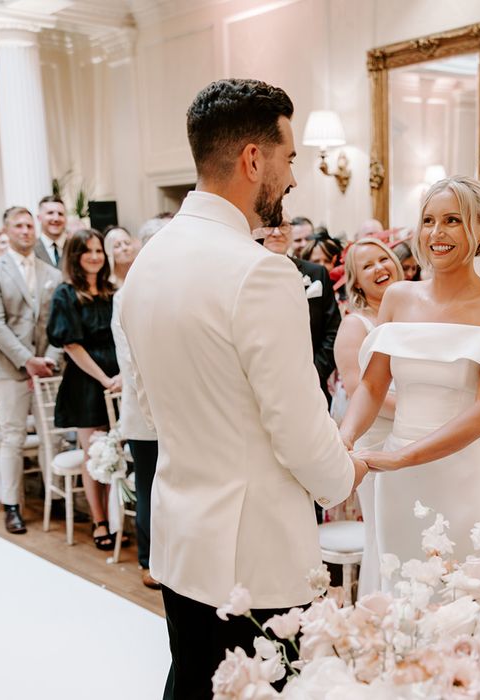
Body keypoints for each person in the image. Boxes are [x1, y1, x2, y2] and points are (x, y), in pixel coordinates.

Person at [120, 78, 365, 699]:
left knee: (193, 684)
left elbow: (145, 414)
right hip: (256, 558)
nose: (292, 178)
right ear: (253, 158)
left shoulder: (147, 264)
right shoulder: (259, 272)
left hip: (182, 541)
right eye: (287, 158)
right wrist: (345, 474)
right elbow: (299, 428)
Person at [340, 175, 480, 566]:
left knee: (469, 595)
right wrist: (345, 439)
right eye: (428, 221)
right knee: (402, 595)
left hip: (464, 477)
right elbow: (373, 387)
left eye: (453, 220)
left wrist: (404, 457)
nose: (437, 233)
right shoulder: (398, 297)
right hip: (396, 480)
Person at [0, 207, 63, 534]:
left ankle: (55, 497)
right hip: (10, 369)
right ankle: (12, 504)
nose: (26, 230)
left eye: (29, 225)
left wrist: (49, 359)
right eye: (19, 225)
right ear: (7, 230)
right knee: (12, 437)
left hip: (47, 369)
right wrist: (28, 360)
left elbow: (57, 323)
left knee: (50, 436)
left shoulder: (51, 274)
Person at [333, 238, 402, 595]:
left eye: (383, 259)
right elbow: (358, 385)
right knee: (386, 532)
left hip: (417, 435)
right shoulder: (355, 325)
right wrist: (411, 407)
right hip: (378, 436)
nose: (380, 268)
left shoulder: (415, 313)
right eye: (368, 266)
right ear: (356, 281)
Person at [47, 229, 122, 550]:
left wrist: (122, 376)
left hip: (119, 381)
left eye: (99, 251)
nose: (94, 256)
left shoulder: (111, 290)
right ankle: (99, 520)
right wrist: (104, 379)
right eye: (87, 251)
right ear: (75, 257)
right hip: (86, 383)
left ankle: (118, 516)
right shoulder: (66, 293)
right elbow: (71, 345)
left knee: (116, 450)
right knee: (95, 455)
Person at [111, 223, 163, 589]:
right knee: (148, 487)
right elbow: (129, 362)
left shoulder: (176, 288)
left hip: (182, 412)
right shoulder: (126, 294)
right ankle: (148, 560)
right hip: (146, 413)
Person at [261, 215, 341, 406]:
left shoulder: (315, 273)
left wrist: (312, 373)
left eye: (283, 225)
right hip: (265, 385)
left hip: (313, 384)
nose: (277, 232)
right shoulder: (244, 273)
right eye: (269, 226)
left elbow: (333, 331)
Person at [34, 195, 68, 267]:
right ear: (39, 218)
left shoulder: (76, 247)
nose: (56, 218)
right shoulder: (30, 249)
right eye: (50, 213)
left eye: (60, 214)